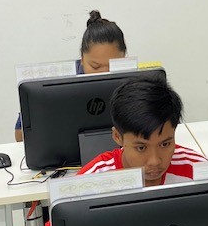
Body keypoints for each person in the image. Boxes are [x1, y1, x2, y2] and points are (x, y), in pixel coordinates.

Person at [32, 77, 207, 226]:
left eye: (165, 144)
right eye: (141, 147)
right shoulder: (94, 179)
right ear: (117, 136)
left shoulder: (197, 169)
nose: (154, 160)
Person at [14, 10, 126, 141]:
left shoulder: (133, 81)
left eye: (113, 66)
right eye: (95, 67)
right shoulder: (59, 82)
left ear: (124, 58)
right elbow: (20, 135)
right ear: (82, 59)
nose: (104, 73)